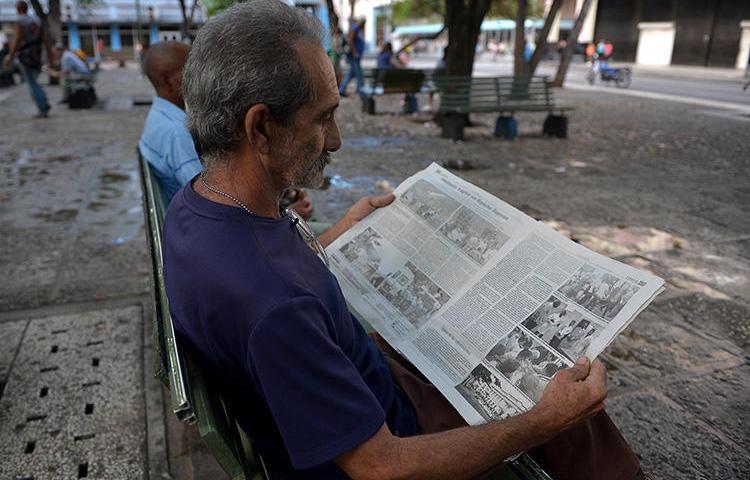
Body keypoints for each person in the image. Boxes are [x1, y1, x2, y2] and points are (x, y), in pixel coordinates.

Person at [165, 1, 643, 479]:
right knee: (565, 407)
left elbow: (274, 278)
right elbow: (380, 467)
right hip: (393, 433)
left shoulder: (197, 208)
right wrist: (543, 421)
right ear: (261, 127)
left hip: (366, 384)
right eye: (323, 117)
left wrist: (340, 233)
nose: (335, 140)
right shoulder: (274, 306)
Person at [138, 41, 315, 216]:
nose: (200, 76)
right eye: (190, 71)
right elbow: (216, 205)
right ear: (166, 81)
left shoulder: (160, 118)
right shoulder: (177, 134)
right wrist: (288, 215)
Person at [3, 1, 50, 118]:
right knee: (34, 81)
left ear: (18, 9)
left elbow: (18, 39)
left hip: (26, 55)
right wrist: (49, 52)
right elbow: (44, 38)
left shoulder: (20, 21)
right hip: (37, 53)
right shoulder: (37, 20)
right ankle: (43, 102)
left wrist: (11, 56)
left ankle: (42, 107)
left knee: (31, 83)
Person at [338, 18, 365, 96]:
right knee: (359, 73)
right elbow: (350, 40)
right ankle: (361, 90)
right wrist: (355, 52)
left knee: (351, 74)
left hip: (356, 55)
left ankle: (342, 89)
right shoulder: (355, 28)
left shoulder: (358, 29)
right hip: (354, 56)